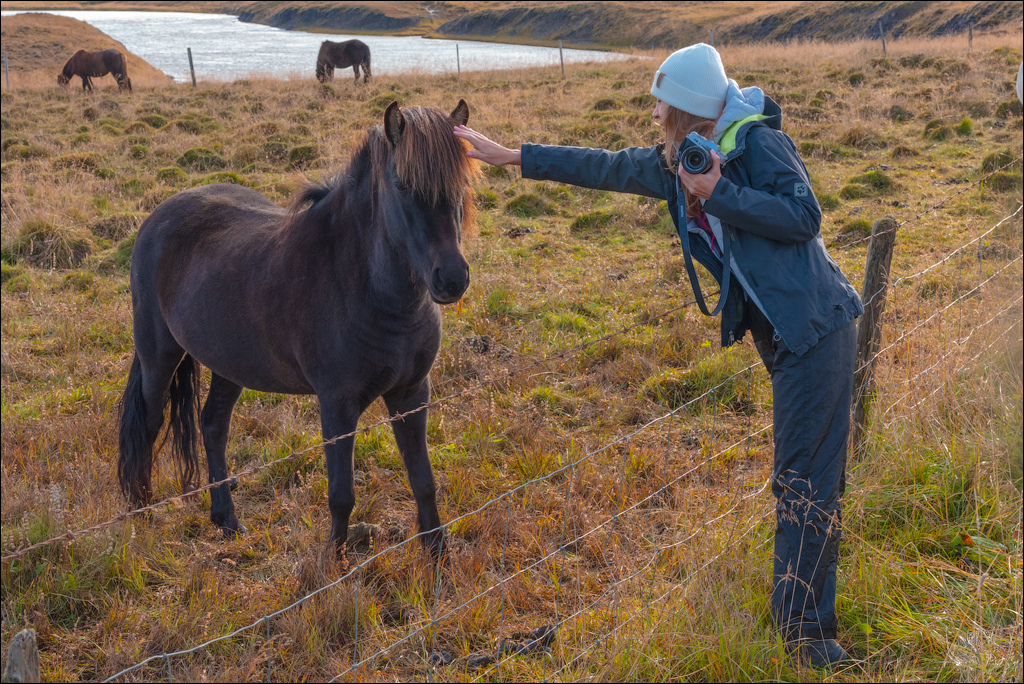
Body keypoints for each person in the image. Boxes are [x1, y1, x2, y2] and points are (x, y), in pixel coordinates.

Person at [455, 43, 863, 669]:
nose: (654, 113)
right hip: (788, 340)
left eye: (664, 104)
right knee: (803, 480)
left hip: (818, 330)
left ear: (689, 109)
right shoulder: (681, 163)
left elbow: (804, 216)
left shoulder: (755, 145)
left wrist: (720, 193)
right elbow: (607, 167)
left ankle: (808, 639)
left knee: (804, 484)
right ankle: (801, 627)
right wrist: (516, 156)